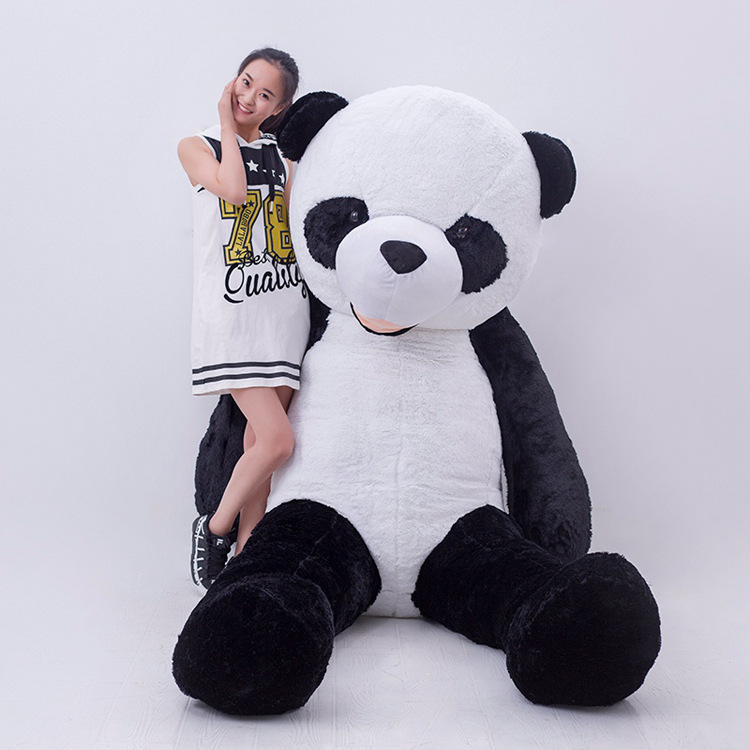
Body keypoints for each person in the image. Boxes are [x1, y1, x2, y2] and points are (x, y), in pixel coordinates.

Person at [178, 48, 309, 589]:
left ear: (278, 109)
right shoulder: (197, 145)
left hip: (283, 314)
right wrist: (231, 128)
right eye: (246, 81)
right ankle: (214, 527)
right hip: (233, 318)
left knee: (262, 449)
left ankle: (246, 564)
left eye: (265, 95)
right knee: (279, 442)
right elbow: (232, 190)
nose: (249, 97)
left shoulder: (287, 162)